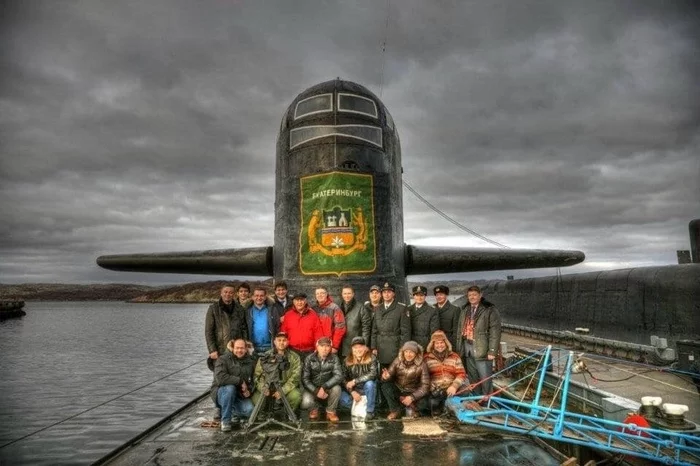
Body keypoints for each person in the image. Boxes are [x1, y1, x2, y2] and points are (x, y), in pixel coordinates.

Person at [454, 285, 502, 397]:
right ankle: (477, 398)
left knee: (485, 377)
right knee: (472, 376)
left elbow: (495, 331)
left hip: (482, 347)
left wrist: (492, 351)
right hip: (467, 346)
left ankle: (487, 400)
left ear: (480, 295)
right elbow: (460, 329)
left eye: (474, 295)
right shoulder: (465, 309)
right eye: (470, 295)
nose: (472, 297)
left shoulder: (489, 309)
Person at [252, 331, 302, 412]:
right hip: (267, 386)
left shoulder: (295, 357)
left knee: (295, 396)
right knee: (256, 400)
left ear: (288, 342)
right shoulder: (266, 356)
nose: (281, 343)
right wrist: (263, 388)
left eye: (284, 340)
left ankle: (288, 413)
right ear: (274, 341)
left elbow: (295, 378)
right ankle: (262, 413)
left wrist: (282, 391)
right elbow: (257, 376)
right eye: (279, 340)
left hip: (284, 387)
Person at [380, 340, 430, 419]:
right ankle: (395, 410)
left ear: (416, 354)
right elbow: (389, 374)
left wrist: (412, 397)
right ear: (403, 352)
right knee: (385, 386)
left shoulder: (422, 365)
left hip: (412, 391)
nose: (408, 354)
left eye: (411, 352)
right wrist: (385, 377)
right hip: (399, 390)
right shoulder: (398, 360)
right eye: (406, 351)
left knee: (425, 402)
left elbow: (425, 386)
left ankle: (415, 410)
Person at [212, 339, 255, 431]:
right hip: (222, 393)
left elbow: (253, 381)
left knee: (249, 410)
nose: (239, 350)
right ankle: (226, 420)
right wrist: (240, 381)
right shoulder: (222, 359)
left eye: (242, 348)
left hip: (239, 395)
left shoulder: (250, 362)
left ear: (246, 349)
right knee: (230, 388)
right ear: (232, 348)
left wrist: (249, 391)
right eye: (237, 348)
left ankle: (234, 412)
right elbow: (220, 378)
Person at [424, 330, 467, 415]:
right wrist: (432, 388)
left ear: (446, 343)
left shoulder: (454, 356)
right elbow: (424, 377)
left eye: (442, 342)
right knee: (431, 404)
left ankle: (452, 407)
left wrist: (454, 386)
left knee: (466, 390)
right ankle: (442, 407)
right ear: (433, 344)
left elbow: (461, 373)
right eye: (437, 343)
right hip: (436, 390)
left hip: (451, 389)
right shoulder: (426, 358)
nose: (440, 345)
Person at [301, 337, 344, 422]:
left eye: (327, 346)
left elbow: (338, 376)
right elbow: (305, 379)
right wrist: (316, 390)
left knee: (337, 389)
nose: (324, 349)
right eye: (322, 346)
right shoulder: (309, 359)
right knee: (305, 401)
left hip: (327, 387)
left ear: (330, 348)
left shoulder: (334, 358)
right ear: (317, 347)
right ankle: (314, 409)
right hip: (313, 388)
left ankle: (330, 411)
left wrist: (324, 387)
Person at [205, 284, 248, 366]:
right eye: (225, 292)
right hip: (220, 350)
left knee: (237, 375)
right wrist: (212, 350)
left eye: (230, 292)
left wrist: (245, 346)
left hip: (237, 350)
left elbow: (244, 329)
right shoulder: (213, 309)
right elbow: (209, 331)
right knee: (220, 376)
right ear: (221, 293)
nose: (228, 294)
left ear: (234, 294)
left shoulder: (240, 309)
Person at [371, 282, 411, 369]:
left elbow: (405, 332)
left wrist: (402, 349)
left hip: (394, 347)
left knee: (394, 374)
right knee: (382, 374)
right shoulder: (377, 308)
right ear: (381, 294)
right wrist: (373, 347)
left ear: (393, 294)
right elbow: (374, 330)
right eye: (384, 292)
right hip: (380, 347)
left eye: (389, 292)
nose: (386, 294)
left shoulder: (401, 308)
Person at [340, 336, 378, 420]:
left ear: (365, 347)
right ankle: (360, 404)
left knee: (370, 384)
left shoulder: (372, 357)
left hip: (367, 389)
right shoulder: (347, 360)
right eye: (355, 347)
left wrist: (355, 381)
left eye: (360, 347)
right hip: (354, 389)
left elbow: (373, 374)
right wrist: (352, 392)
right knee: (340, 397)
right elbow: (343, 379)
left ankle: (370, 411)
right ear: (352, 349)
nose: (358, 349)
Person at [280, 292, 323, 360]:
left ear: (305, 301)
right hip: (292, 351)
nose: (299, 302)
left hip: (310, 352)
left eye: (302, 300)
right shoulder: (288, 315)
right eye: (297, 300)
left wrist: (318, 348)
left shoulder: (313, 315)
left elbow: (318, 333)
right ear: (293, 301)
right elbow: (283, 333)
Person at [245, 286, 283, 356]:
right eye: (256, 295)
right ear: (253, 297)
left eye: (261, 296)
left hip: (269, 348)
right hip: (253, 348)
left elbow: (278, 327)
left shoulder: (272, 310)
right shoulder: (248, 311)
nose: (259, 298)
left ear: (265, 297)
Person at [339, 285, 372, 358]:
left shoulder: (361, 308)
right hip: (341, 346)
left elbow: (366, 328)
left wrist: (364, 345)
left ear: (353, 294)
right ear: (342, 294)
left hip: (356, 346)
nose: (347, 296)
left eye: (349, 293)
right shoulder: (338, 307)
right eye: (345, 293)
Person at [313, 286, 346, 354]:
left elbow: (340, 327)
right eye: (317, 293)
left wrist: (335, 346)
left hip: (329, 346)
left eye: (322, 293)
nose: (320, 295)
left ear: (326, 294)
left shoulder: (334, 308)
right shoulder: (313, 309)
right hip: (316, 346)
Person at [407, 285, 438, 350]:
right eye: (417, 295)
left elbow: (434, 331)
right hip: (411, 343)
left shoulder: (432, 310)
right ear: (413, 296)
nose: (419, 298)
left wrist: (430, 345)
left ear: (425, 296)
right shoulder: (408, 309)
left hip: (425, 343)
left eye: (421, 295)